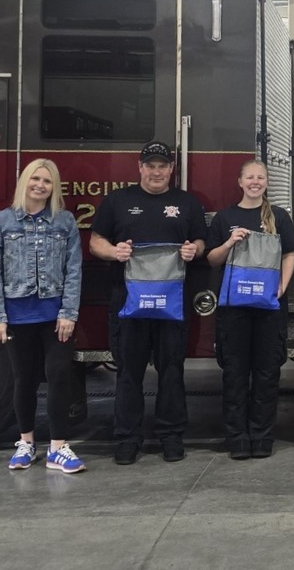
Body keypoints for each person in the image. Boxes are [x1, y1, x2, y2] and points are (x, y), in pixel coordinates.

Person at [90, 140, 207, 465]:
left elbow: (200, 241)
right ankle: (128, 438)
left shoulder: (187, 203)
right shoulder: (118, 201)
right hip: (129, 304)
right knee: (129, 372)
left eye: (163, 165)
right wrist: (114, 252)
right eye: (150, 165)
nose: (157, 171)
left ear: (172, 169)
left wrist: (192, 251)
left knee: (172, 370)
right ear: (140, 167)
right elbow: (95, 240)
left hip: (172, 305)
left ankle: (171, 436)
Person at [0, 159, 86, 474]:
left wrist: (68, 313)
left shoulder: (65, 222)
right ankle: (26, 442)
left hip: (55, 316)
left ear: (54, 188)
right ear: (25, 181)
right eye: (35, 179)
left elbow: (73, 271)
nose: (40, 185)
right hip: (16, 315)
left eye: (48, 181)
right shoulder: (2, 221)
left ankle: (58, 447)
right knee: (24, 379)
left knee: (58, 375)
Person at [207, 159, 294, 460]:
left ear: (267, 182)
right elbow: (212, 259)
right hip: (234, 309)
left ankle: (262, 436)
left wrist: (282, 287)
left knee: (266, 373)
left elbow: (289, 255)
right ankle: (237, 437)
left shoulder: (280, 217)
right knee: (234, 373)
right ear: (240, 181)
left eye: (260, 177)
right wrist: (230, 242)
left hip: (269, 308)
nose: (255, 182)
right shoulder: (225, 217)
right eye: (250, 177)